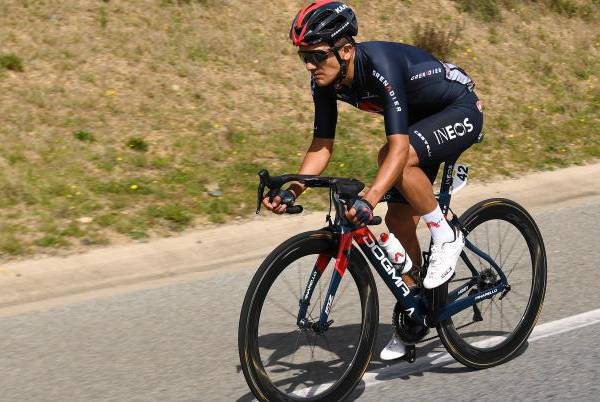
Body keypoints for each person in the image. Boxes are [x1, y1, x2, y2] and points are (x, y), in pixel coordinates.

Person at [262, 0, 484, 361]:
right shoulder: (325, 81)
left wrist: (370, 198)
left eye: (317, 56)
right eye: (304, 56)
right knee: (398, 222)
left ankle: (446, 234)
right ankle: (416, 311)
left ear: (346, 50)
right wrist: (293, 189)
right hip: (419, 124)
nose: (310, 65)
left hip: (457, 108)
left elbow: (397, 149)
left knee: (392, 158)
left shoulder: (381, 66)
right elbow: (321, 146)